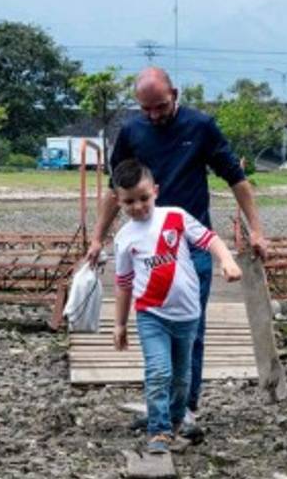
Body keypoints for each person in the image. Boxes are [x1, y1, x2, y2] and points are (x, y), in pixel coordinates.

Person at [85, 67, 269, 431]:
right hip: (145, 247)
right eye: (146, 109)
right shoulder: (132, 131)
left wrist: (257, 231)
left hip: (191, 244)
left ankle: (184, 408)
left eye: (161, 106)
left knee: (191, 327)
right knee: (152, 324)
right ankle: (163, 404)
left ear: (175, 93)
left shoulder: (200, 126)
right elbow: (114, 188)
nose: (154, 116)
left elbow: (237, 180)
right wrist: (97, 237)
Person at [109, 158, 242, 452]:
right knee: (159, 372)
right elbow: (124, 283)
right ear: (118, 201)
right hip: (151, 315)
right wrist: (119, 325)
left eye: (144, 198)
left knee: (182, 378)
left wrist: (227, 260)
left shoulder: (175, 217)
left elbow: (210, 239)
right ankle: (158, 430)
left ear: (155, 191)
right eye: (129, 201)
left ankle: (176, 421)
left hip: (187, 315)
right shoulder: (124, 239)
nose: (139, 207)